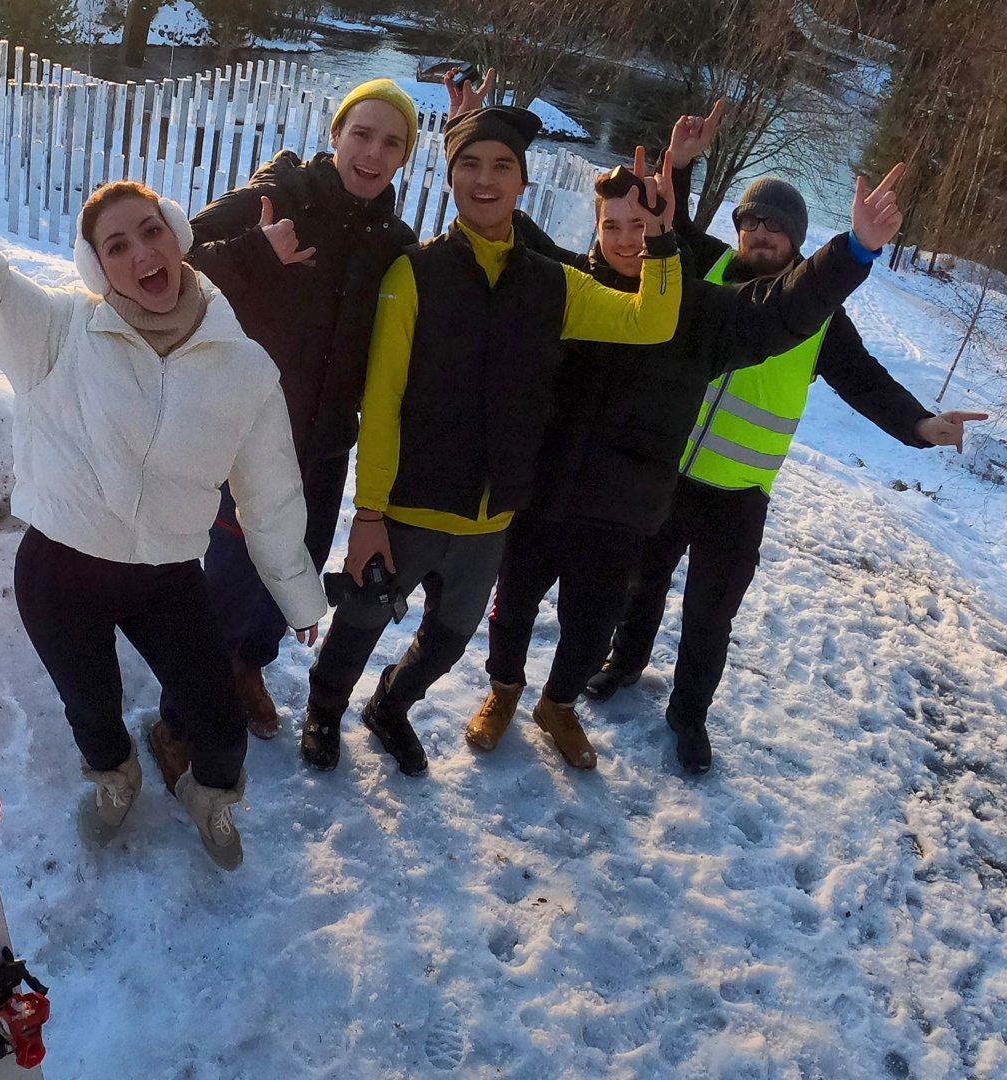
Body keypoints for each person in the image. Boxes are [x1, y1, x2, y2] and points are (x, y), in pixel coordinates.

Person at [0, 68, 324, 870]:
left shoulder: (244, 369)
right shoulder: (53, 332)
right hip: (61, 573)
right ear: (97, 267)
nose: (138, 252)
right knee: (92, 706)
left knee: (220, 724)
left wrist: (296, 591)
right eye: (114, 245)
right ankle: (114, 776)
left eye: (149, 230)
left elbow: (272, 495)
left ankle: (209, 794)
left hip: (165, 577)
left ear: (177, 236)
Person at [469, 159, 909, 771]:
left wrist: (856, 248)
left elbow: (783, 309)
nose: (628, 239)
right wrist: (474, 143)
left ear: (666, 228)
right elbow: (503, 239)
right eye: (613, 226)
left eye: (642, 226)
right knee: (512, 606)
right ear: (595, 228)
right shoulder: (568, 284)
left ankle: (558, 705)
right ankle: (504, 692)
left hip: (625, 508)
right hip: (544, 493)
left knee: (593, 625)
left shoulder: (698, 311)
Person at [587, 101, 988, 772]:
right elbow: (669, 228)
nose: (763, 233)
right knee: (641, 585)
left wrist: (920, 424)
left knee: (710, 618)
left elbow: (866, 381)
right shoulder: (706, 271)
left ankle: (688, 716)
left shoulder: (816, 315)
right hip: (671, 473)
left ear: (798, 241)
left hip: (739, 497)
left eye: (778, 226)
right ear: (739, 230)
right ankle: (622, 666)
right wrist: (679, 164)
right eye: (753, 221)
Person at [298, 106, 684, 776]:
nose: (486, 178)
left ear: (522, 182)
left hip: (489, 518)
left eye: (502, 165)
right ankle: (325, 712)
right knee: (359, 622)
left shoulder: (553, 282)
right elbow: (382, 402)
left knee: (446, 642)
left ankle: (390, 706)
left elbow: (649, 320)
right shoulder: (413, 274)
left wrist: (662, 240)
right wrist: (367, 515)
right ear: (449, 179)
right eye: (470, 165)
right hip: (408, 506)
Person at [178, 78, 419, 754]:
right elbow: (172, 259)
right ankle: (182, 712)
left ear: (404, 158)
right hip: (246, 432)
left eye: (391, 143)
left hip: (325, 445)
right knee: (230, 574)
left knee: (297, 569)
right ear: (336, 134)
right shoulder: (275, 199)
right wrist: (256, 254)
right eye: (362, 134)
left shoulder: (394, 244)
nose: (372, 153)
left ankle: (244, 663)